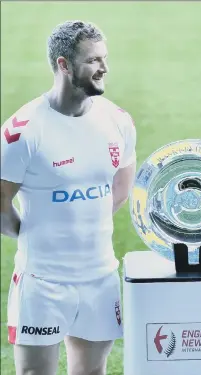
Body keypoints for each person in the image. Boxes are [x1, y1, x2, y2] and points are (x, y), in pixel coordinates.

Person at [0, 20, 137, 375]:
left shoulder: (118, 121)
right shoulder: (24, 130)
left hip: (100, 278)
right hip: (43, 283)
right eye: (94, 60)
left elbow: (122, 186)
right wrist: (32, 233)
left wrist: (85, 219)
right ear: (63, 65)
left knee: (92, 371)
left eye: (104, 58)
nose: (104, 68)